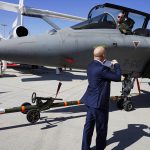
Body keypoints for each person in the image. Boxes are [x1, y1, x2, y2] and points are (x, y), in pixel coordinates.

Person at [81, 46, 121, 150]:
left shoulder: (90, 66)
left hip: (90, 101)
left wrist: (106, 64)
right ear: (103, 55)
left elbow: (101, 73)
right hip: (99, 104)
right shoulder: (102, 69)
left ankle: (85, 148)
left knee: (88, 127)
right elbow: (117, 77)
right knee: (101, 129)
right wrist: (116, 65)